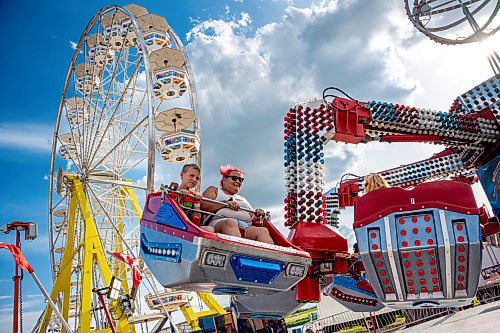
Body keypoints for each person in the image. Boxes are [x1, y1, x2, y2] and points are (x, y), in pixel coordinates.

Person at [201, 164, 274, 244]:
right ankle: (237, 251)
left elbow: (252, 217)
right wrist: (225, 204)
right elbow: (203, 205)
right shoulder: (215, 190)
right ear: (224, 180)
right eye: (234, 178)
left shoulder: (242, 199)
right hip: (219, 222)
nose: (238, 181)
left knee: (262, 231)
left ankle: (272, 255)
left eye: (241, 180)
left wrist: (257, 213)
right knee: (230, 223)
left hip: (244, 225)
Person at [177, 163, 215, 232]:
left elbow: (196, 218)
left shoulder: (193, 196)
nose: (194, 179)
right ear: (182, 175)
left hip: (188, 226)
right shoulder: (174, 191)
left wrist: (197, 202)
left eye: (197, 178)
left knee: (210, 229)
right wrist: (179, 196)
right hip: (176, 224)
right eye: (191, 175)